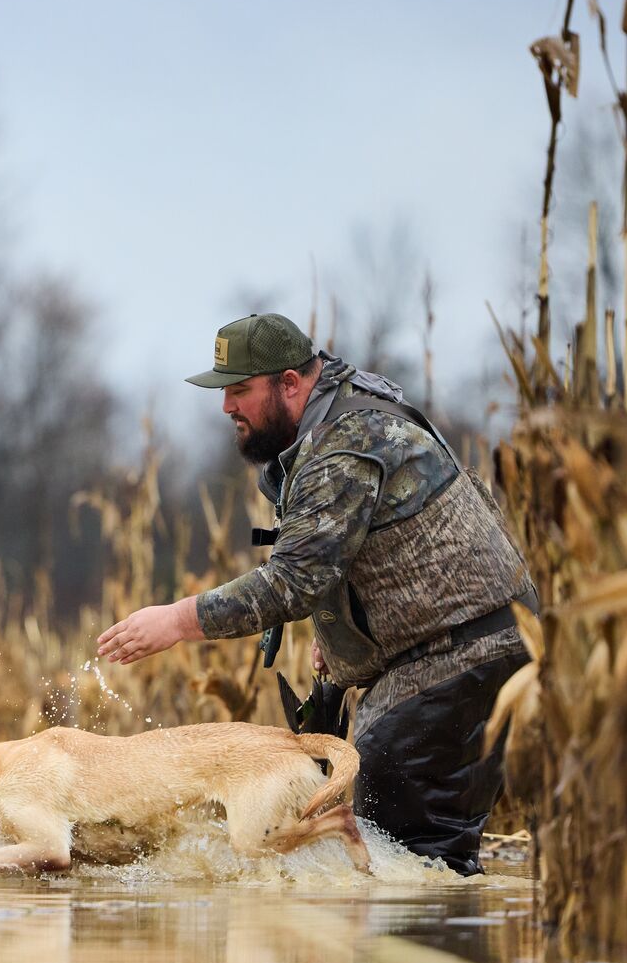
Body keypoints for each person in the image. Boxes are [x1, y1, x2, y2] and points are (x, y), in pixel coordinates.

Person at [95, 312, 536, 874]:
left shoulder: (342, 443)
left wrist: (178, 620)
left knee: (403, 862)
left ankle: (435, 948)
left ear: (290, 383)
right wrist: (344, 632)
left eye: (239, 391)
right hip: (460, 649)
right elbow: (357, 548)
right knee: (423, 862)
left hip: (455, 658)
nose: (227, 407)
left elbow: (294, 580)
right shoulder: (340, 412)